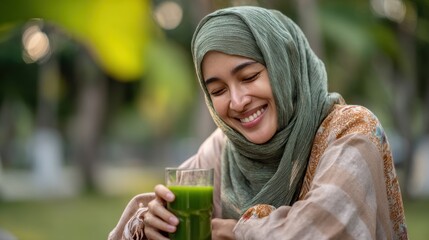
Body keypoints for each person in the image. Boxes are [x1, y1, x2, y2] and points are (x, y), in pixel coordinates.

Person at [108, 6, 408, 240]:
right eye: (218, 91)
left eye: (249, 77)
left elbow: (327, 227)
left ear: (284, 65)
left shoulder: (351, 130)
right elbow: (168, 208)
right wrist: (152, 223)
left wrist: (234, 231)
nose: (237, 102)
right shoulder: (223, 150)